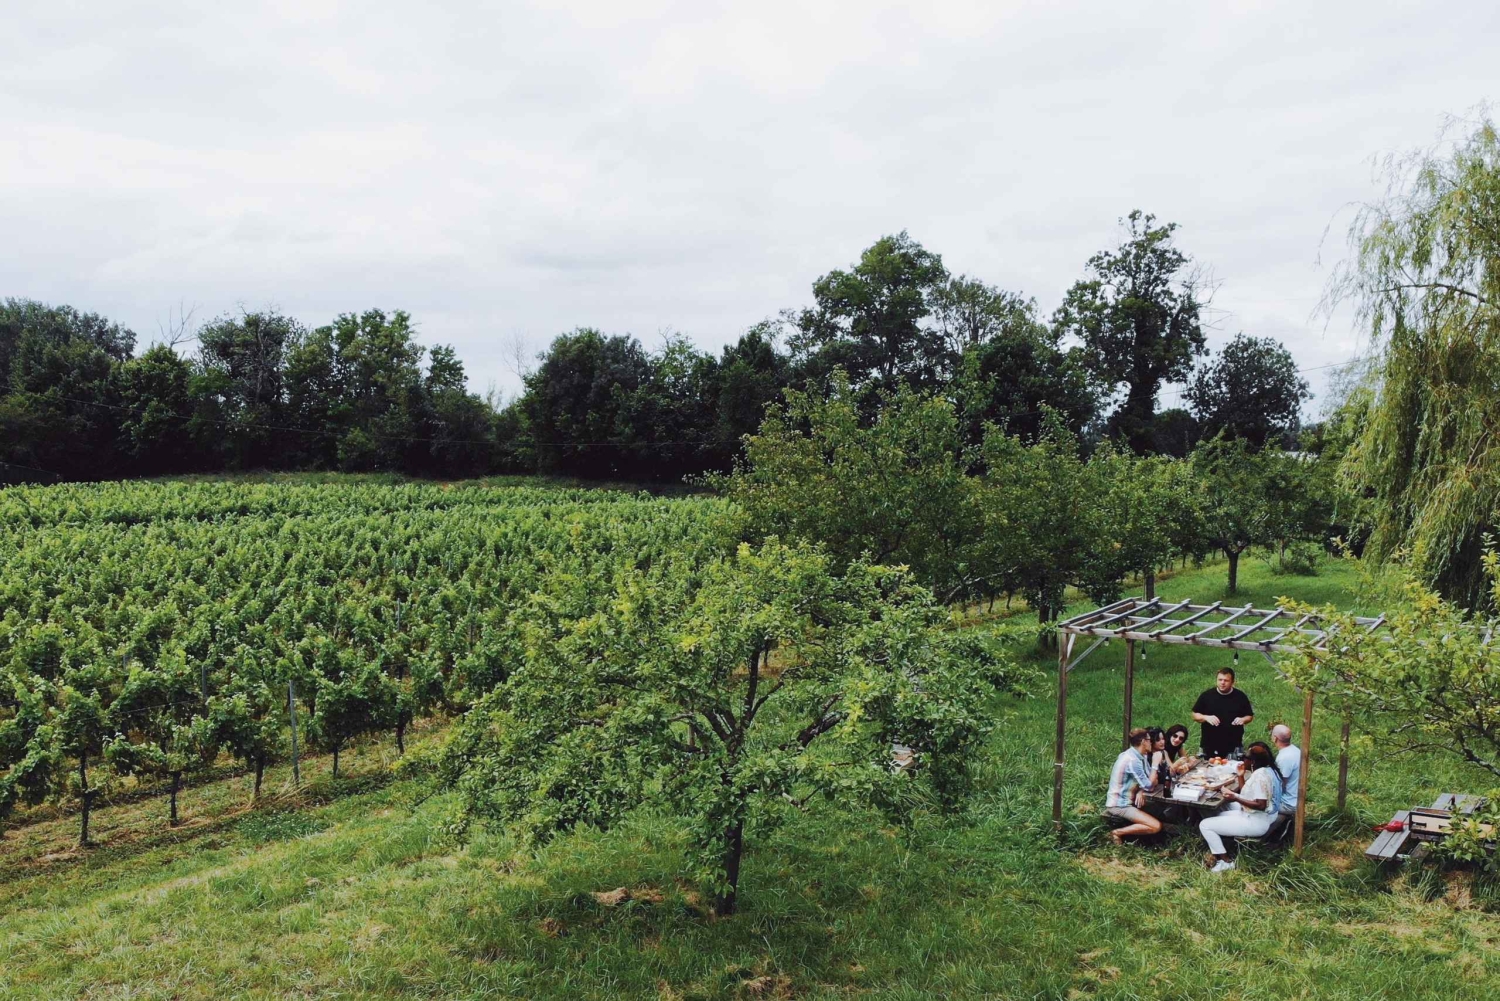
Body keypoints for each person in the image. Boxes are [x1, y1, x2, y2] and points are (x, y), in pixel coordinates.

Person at [1198, 743, 1282, 872]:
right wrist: (1240, 775)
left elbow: (1261, 805)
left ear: (1252, 761)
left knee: (1205, 824)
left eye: (1245, 758)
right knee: (1214, 816)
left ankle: (1225, 861)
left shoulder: (1260, 777)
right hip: (1253, 816)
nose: (1243, 760)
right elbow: (1248, 794)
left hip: (1255, 822)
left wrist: (1235, 798)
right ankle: (1219, 848)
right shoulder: (1264, 771)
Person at [1105, 728, 1161, 844]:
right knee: (1156, 826)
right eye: (1149, 740)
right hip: (1120, 805)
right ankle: (1117, 832)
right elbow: (1150, 785)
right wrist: (1155, 764)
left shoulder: (1140, 756)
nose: (1151, 742)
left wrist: (1143, 788)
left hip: (1129, 800)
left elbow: (1152, 780)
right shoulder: (1132, 760)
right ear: (1143, 742)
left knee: (1161, 810)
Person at [1191, 668, 1254, 758]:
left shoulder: (1240, 696)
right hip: (1209, 744)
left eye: (1226, 680)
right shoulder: (1207, 696)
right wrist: (1206, 717)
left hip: (1233, 744)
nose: (1222, 682)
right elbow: (1194, 715)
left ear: (1233, 682)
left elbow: (1249, 716)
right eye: (1220, 680)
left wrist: (1243, 719)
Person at [1270, 723, 1302, 817]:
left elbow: (1280, 784)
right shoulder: (1296, 750)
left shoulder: (1284, 758)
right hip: (1297, 799)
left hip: (1288, 804)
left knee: (1257, 803)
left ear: (1275, 738)